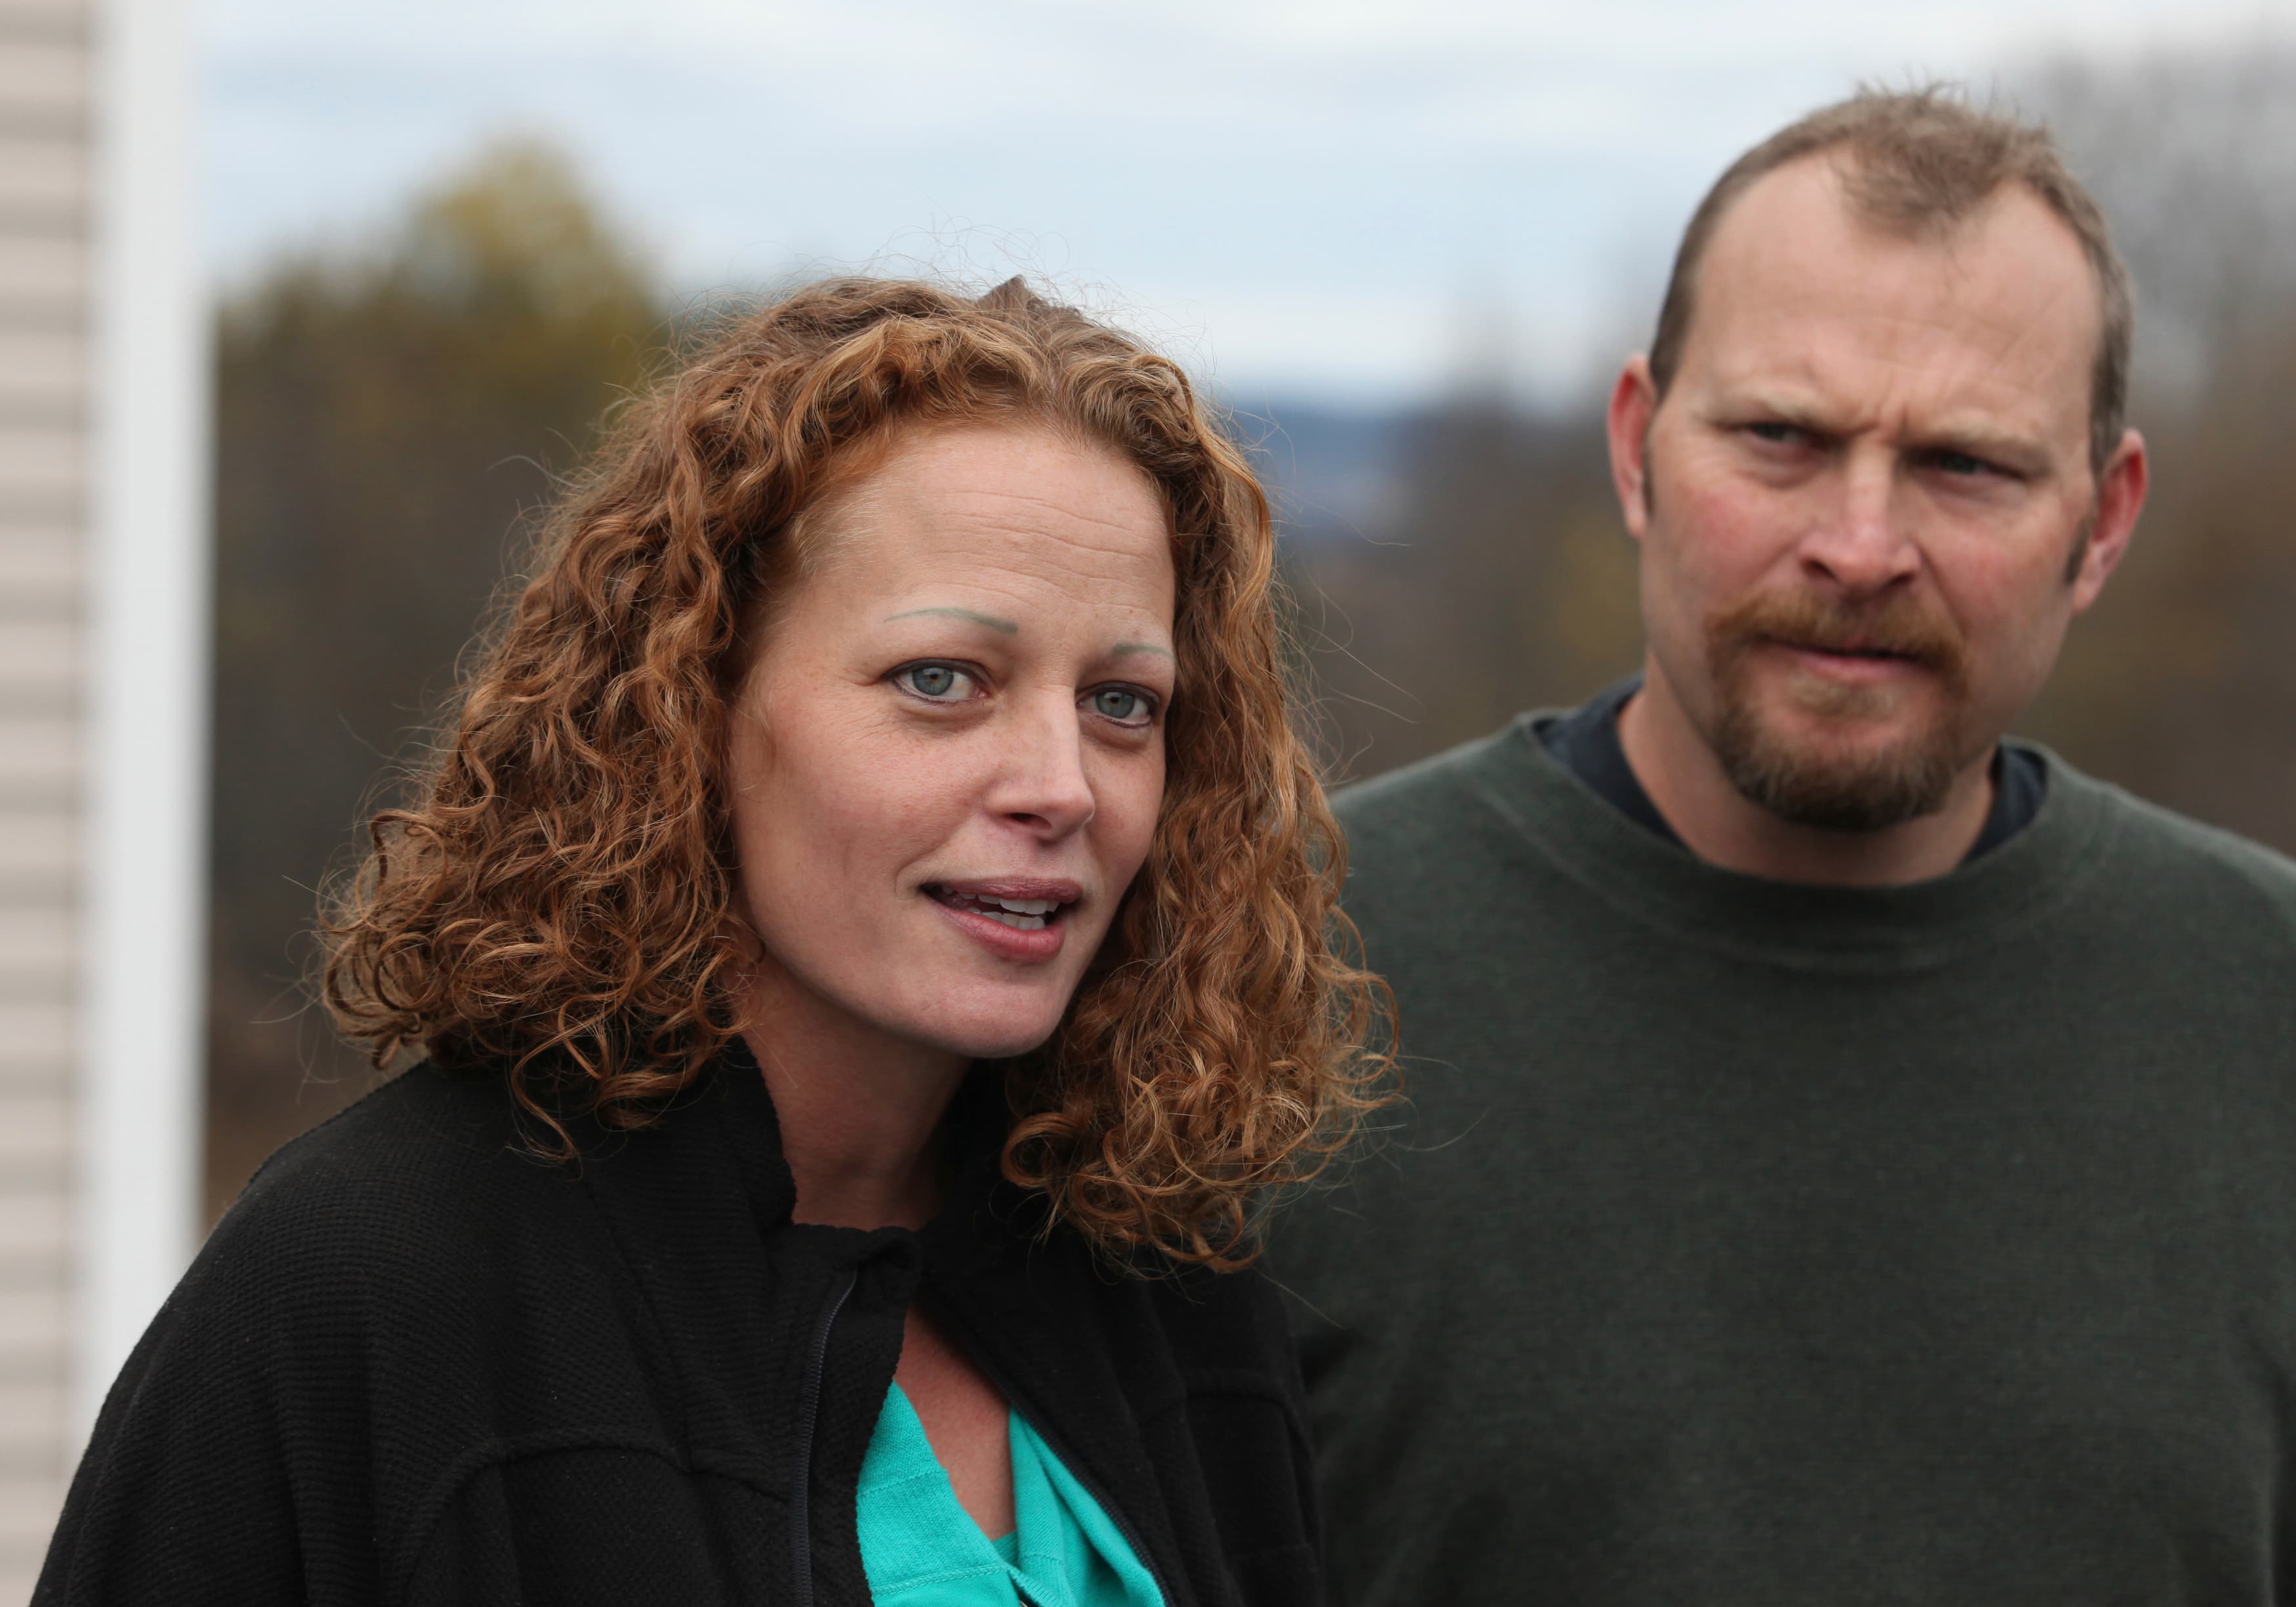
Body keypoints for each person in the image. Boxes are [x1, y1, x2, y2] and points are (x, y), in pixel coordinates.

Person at [38, 277, 1386, 1607]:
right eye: (941, 681)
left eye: (1121, 702)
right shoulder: (377, 1294)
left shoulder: (1169, 1287)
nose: (1062, 783)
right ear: (695, 705)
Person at [1273, 86, 2296, 1604]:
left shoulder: (2262, 1004)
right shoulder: (1278, 974)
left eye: (1968, 465)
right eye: (1779, 437)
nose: (1861, 545)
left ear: (2104, 520)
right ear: (1637, 449)